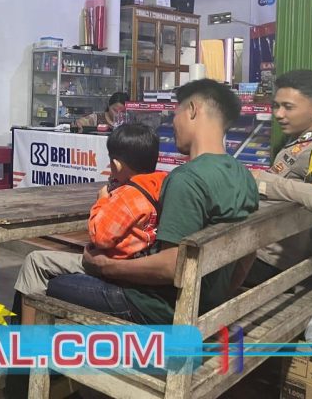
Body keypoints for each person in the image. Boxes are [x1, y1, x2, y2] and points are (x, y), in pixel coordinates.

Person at [46, 79, 258, 325]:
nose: (173, 123)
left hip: (157, 308)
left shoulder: (186, 179)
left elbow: (170, 266)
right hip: (206, 306)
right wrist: (217, 300)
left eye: (175, 113)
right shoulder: (243, 175)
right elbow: (247, 256)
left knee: (48, 280)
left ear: (192, 110)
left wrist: (106, 266)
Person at [14, 123, 168, 325]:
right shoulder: (161, 183)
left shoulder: (127, 197)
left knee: (34, 262)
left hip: (112, 268)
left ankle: (27, 337)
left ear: (116, 165)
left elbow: (100, 236)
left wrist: (102, 201)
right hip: (133, 265)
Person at [246, 69, 312, 285]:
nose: (278, 114)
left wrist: (265, 182)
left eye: (288, 107)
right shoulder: (300, 140)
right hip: (256, 248)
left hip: (269, 262)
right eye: (276, 106)